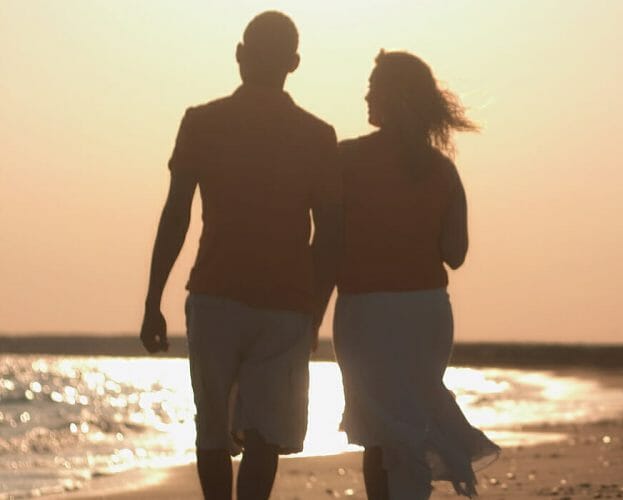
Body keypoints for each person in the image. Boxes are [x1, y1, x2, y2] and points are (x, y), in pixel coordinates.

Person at [139, 11, 341, 500]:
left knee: (211, 430)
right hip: (285, 304)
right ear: (293, 63)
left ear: (239, 54)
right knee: (265, 435)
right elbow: (332, 236)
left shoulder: (203, 122)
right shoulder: (316, 135)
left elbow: (175, 216)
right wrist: (314, 313)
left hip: (216, 296)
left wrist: (152, 301)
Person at [330, 50, 498, 499]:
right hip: (424, 313)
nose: (366, 94)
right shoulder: (440, 169)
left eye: (373, 86)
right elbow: (456, 253)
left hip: (365, 310)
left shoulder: (345, 159)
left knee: (377, 427)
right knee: (413, 415)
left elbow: (327, 243)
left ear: (393, 97)